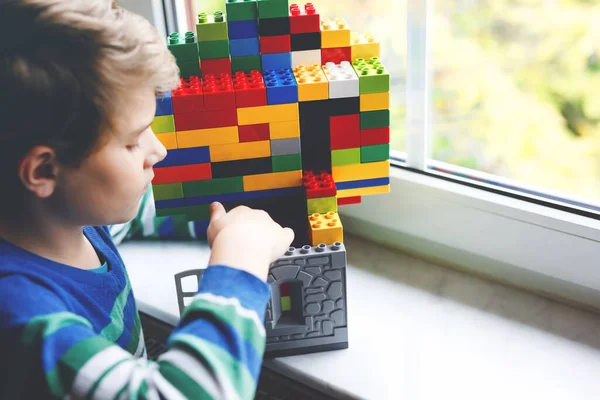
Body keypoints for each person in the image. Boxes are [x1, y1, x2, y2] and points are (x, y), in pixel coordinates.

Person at [0, 0, 295, 398]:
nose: (158, 150)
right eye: (133, 140)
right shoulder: (25, 316)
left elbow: (144, 213)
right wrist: (241, 256)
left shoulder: (75, 223)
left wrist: (225, 220)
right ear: (44, 171)